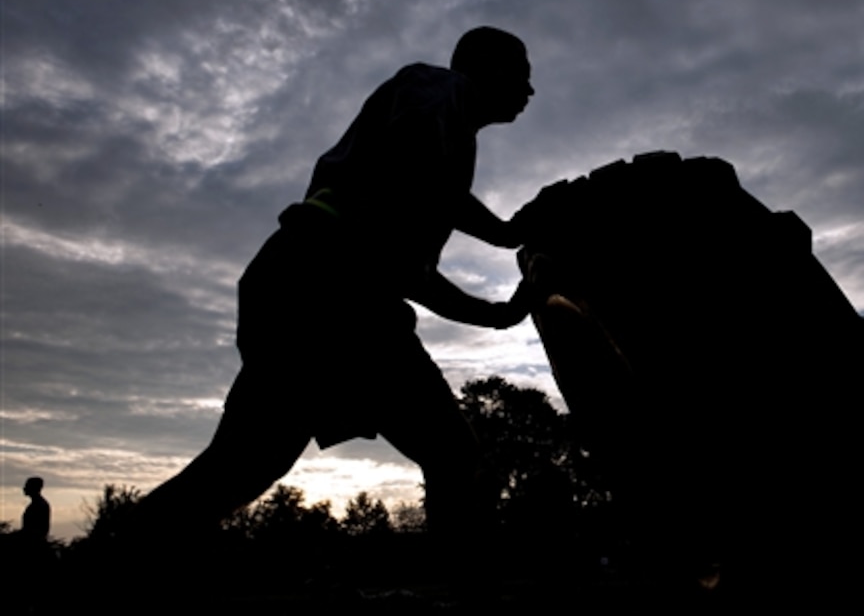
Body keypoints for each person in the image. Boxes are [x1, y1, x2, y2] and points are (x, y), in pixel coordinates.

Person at [135, 27, 536, 542]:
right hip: (327, 287)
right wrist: (497, 277)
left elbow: (414, 241)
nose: (529, 90)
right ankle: (466, 598)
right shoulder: (438, 88)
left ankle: (103, 569)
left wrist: (500, 272)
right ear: (483, 66)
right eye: (520, 73)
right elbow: (411, 192)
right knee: (451, 453)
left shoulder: (447, 146)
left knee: (247, 462)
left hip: (310, 285)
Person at [21, 477, 51, 542]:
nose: (24, 488)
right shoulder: (38, 504)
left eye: (27, 485)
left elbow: (36, 529)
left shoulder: (39, 505)